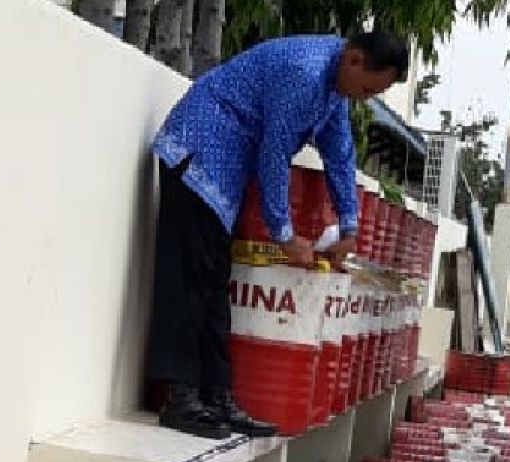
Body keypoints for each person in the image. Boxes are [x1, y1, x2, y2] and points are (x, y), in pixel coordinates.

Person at [148, 31, 410, 439]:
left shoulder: (333, 89)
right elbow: (274, 152)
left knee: (216, 283)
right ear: (355, 60)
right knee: (189, 280)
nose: (364, 97)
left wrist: (350, 226)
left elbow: (340, 155)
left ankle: (217, 395)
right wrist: (284, 234)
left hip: (224, 173)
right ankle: (180, 398)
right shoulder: (304, 73)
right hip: (197, 151)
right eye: (369, 88)